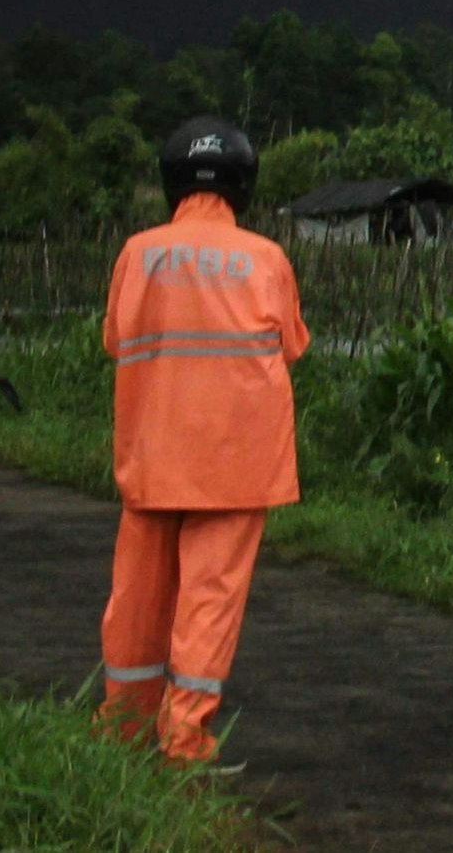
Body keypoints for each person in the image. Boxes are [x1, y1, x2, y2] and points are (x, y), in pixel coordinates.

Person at [98, 116, 307, 764]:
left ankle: (121, 733)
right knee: (208, 602)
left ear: (171, 182)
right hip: (237, 466)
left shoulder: (137, 253)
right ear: (244, 184)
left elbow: (114, 340)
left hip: (153, 456)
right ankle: (184, 741)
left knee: (137, 597)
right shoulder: (267, 258)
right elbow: (292, 345)